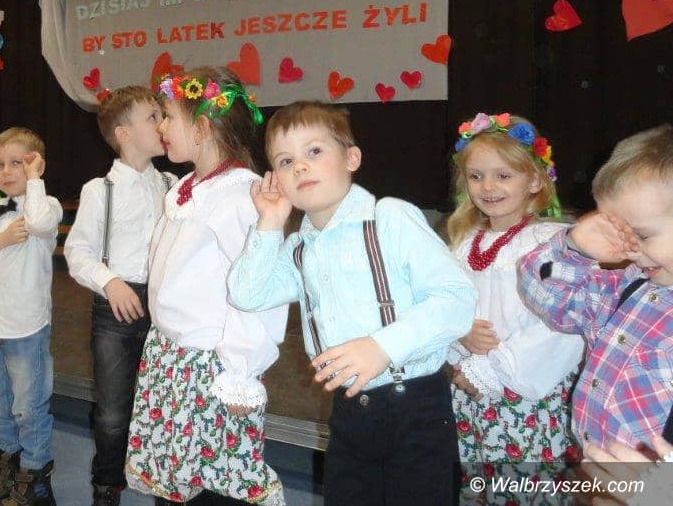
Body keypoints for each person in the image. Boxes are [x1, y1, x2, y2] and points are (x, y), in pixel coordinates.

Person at [228, 100, 477, 506]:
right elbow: (246, 293)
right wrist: (269, 222)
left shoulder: (389, 218)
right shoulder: (299, 247)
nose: (300, 167)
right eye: (286, 161)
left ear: (351, 158)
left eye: (314, 151)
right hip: (347, 415)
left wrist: (383, 346)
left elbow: (457, 298)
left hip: (414, 408)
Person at [125, 67, 288, 506]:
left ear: (200, 128)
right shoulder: (187, 189)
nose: (160, 127)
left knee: (214, 482)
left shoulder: (240, 196)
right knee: (177, 476)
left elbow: (259, 293)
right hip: (172, 359)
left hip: (211, 367)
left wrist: (241, 372)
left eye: (167, 117)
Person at [445, 113, 584, 502]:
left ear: (535, 180)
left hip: (526, 394)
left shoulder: (550, 242)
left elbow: (561, 325)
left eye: (503, 176)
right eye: (476, 176)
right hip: (471, 391)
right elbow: (444, 302)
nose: (488, 187)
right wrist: (459, 332)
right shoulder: (464, 242)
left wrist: (491, 368)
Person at [519, 124, 673, 450]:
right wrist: (574, 249)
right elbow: (546, 296)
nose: (631, 249)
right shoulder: (628, 286)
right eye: (622, 233)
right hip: (594, 468)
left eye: (642, 235)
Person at [63, 86, 173, 506]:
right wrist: (110, 282)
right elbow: (77, 252)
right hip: (116, 309)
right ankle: (107, 483)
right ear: (124, 133)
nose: (162, 124)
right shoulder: (100, 189)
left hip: (165, 308)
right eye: (153, 117)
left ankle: (162, 478)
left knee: (162, 403)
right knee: (112, 410)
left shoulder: (172, 184)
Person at [0, 127, 63, 506]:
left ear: (36, 165)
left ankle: (35, 480)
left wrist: (34, 181)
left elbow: (39, 224)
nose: (5, 171)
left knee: (28, 406)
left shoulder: (45, 204)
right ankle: (6, 472)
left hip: (25, 328)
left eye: (17, 163)